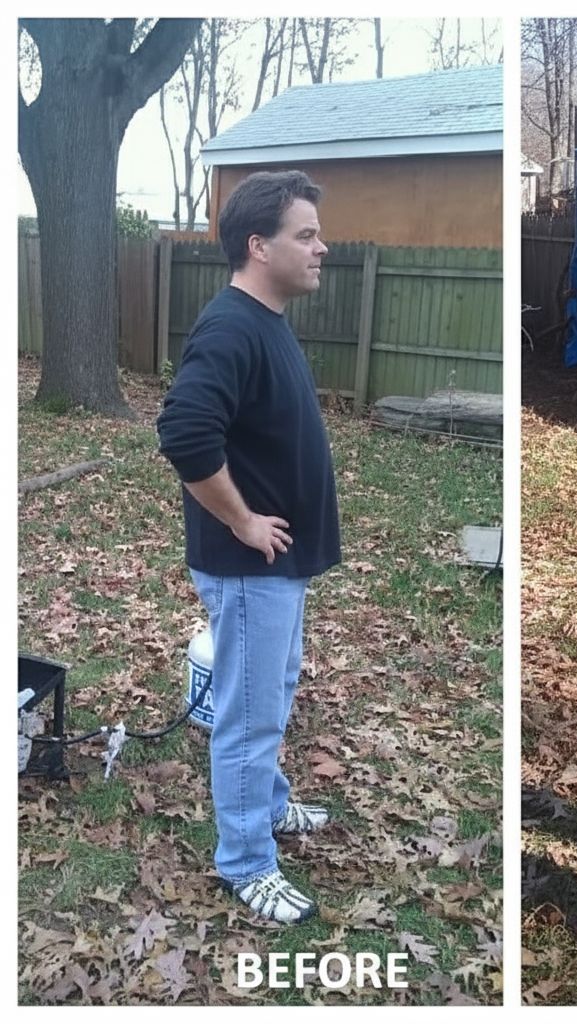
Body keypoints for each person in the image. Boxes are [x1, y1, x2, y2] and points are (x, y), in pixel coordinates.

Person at [157, 170, 339, 925]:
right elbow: (183, 432)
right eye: (306, 234)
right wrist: (240, 521)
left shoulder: (264, 318)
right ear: (259, 246)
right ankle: (243, 861)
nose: (321, 246)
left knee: (271, 694)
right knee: (248, 712)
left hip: (276, 566)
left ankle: (266, 803)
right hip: (247, 564)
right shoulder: (232, 326)